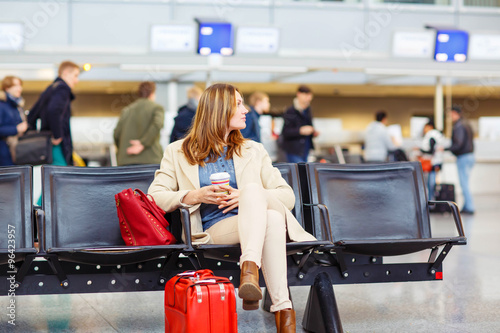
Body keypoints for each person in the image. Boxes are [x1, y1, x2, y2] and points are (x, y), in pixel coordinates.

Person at [148, 83, 315, 333]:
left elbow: (287, 196)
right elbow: (155, 196)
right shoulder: (177, 151)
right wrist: (195, 195)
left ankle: (252, 273)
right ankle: (281, 311)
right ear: (218, 110)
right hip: (214, 229)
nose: (245, 109)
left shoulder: (254, 150)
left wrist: (249, 196)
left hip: (260, 225)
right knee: (268, 215)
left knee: (260, 203)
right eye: (238, 104)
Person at [28, 60, 80, 166]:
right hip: (57, 143)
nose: (76, 80)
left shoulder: (50, 88)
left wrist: (35, 134)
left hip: (46, 143)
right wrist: (57, 135)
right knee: (61, 176)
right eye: (75, 76)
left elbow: (32, 115)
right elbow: (53, 110)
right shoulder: (62, 88)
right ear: (65, 73)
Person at [114, 81, 165, 166]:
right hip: (150, 161)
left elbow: (116, 133)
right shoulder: (157, 108)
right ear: (152, 93)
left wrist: (123, 149)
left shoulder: (127, 110)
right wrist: (143, 143)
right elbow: (157, 125)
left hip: (125, 161)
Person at [281, 85, 319, 163]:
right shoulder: (290, 111)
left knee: (303, 172)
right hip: (294, 150)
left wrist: (313, 132)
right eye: (306, 95)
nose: (308, 98)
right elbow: (285, 132)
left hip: (306, 149)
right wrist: (300, 131)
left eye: (310, 96)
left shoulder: (308, 110)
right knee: (298, 172)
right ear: (299, 94)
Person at [449, 106, 475, 214]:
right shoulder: (467, 124)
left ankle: (470, 207)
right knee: (465, 182)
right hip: (470, 155)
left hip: (463, 156)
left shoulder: (458, 126)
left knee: (463, 182)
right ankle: (466, 205)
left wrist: (448, 149)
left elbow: (458, 143)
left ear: (455, 113)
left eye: (451, 114)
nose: (450, 117)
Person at [0, 76, 28, 166]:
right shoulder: (2, 105)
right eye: (15, 85)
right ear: (7, 88)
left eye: (20, 85)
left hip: (16, 150)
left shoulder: (17, 106)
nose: (19, 88)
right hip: (4, 152)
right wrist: (16, 129)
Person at [419, 120, 444, 201]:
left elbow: (431, 151)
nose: (424, 129)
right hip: (437, 162)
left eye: (425, 127)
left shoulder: (431, 135)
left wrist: (421, 151)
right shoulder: (437, 135)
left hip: (432, 163)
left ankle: (431, 202)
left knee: (431, 184)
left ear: (430, 127)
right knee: (432, 183)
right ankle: (432, 200)